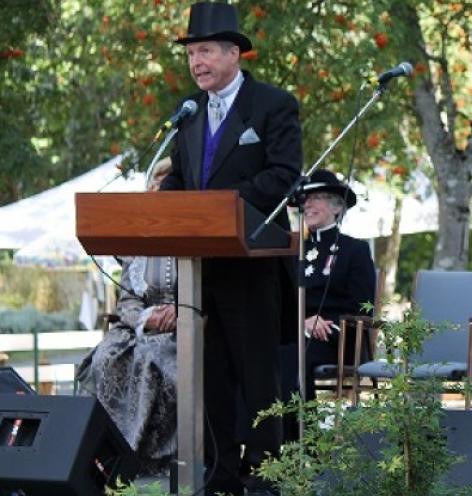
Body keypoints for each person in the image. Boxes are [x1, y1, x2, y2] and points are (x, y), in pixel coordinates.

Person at [159, 2, 301, 494]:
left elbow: (283, 176)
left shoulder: (272, 105)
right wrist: (162, 206)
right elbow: (179, 178)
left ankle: (266, 476)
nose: (196, 63)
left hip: (252, 265)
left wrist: (220, 207)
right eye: (191, 54)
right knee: (210, 379)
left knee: (259, 380)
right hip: (201, 271)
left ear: (233, 53)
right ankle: (221, 476)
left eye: (204, 52)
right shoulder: (188, 115)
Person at [76, 159, 177, 474]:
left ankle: (145, 457)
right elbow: (129, 296)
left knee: (151, 360)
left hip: (183, 326)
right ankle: (107, 453)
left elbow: (208, 289)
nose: (159, 190)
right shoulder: (139, 241)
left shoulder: (197, 231)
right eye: (155, 184)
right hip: (141, 325)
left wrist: (180, 310)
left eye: (166, 184)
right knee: (106, 357)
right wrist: (143, 318)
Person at [280, 169, 376, 413]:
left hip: (336, 338)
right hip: (296, 331)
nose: (308, 204)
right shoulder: (291, 251)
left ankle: (304, 442)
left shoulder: (354, 250)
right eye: (305, 198)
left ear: (337, 207)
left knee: (293, 357)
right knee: (263, 352)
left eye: (317, 197)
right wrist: (302, 322)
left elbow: (362, 306)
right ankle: (265, 440)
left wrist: (325, 325)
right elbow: (281, 302)